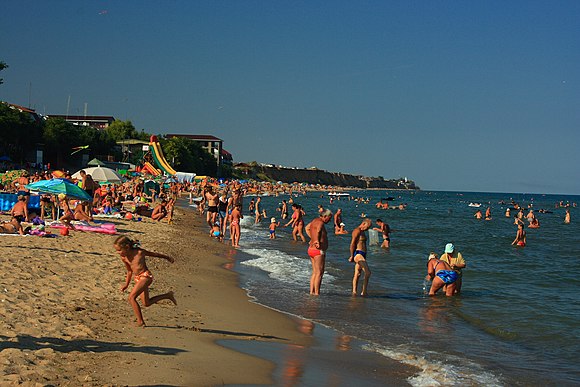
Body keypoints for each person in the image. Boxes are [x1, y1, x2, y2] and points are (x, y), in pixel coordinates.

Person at [114, 236, 176, 327]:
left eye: (119, 250)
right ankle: (168, 295)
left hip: (146, 277)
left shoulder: (140, 252)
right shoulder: (124, 258)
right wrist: (126, 284)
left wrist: (167, 257)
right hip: (138, 278)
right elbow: (129, 271)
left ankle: (140, 322)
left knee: (131, 298)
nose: (118, 252)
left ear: (127, 247)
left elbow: (154, 254)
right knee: (146, 303)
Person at [304, 209, 333, 295]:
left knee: (315, 272)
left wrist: (312, 238)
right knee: (319, 273)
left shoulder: (314, 221)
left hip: (311, 249)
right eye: (329, 218)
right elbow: (319, 229)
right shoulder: (320, 223)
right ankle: (317, 293)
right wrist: (316, 240)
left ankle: (311, 292)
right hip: (318, 251)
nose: (330, 220)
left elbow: (307, 228)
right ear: (325, 216)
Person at [349, 218, 372, 296]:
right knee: (368, 272)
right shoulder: (357, 231)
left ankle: (354, 292)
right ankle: (364, 292)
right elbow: (352, 244)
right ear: (363, 224)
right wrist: (352, 256)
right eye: (367, 227)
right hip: (358, 254)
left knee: (357, 274)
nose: (368, 229)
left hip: (363, 254)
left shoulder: (363, 232)